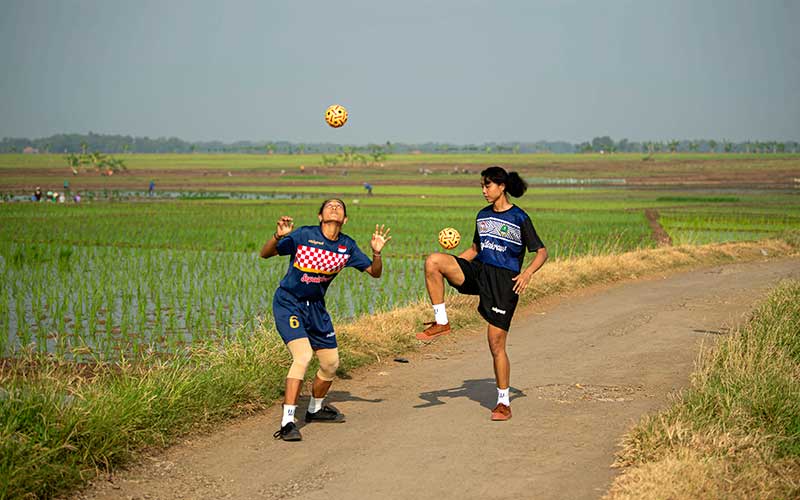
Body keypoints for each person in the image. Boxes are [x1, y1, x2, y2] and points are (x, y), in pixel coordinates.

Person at [417, 166, 548, 421]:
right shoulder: (482, 215)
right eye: (482, 186)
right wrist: (453, 264)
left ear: (502, 187)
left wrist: (527, 273)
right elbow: (476, 248)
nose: (484, 190)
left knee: (495, 343)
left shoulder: (520, 217)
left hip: (503, 281)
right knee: (434, 261)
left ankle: (503, 402)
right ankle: (441, 321)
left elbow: (541, 251)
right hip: (479, 271)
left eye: (487, 186)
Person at [260, 198, 391, 441]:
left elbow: (375, 273)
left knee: (330, 363)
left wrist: (376, 253)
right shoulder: (303, 235)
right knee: (303, 356)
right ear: (320, 216)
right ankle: (288, 421)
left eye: (339, 207)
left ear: (345, 219)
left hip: (316, 308)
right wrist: (278, 237)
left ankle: (315, 409)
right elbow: (265, 254)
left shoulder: (347, 246)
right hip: (289, 302)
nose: (334, 208)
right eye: (329, 206)